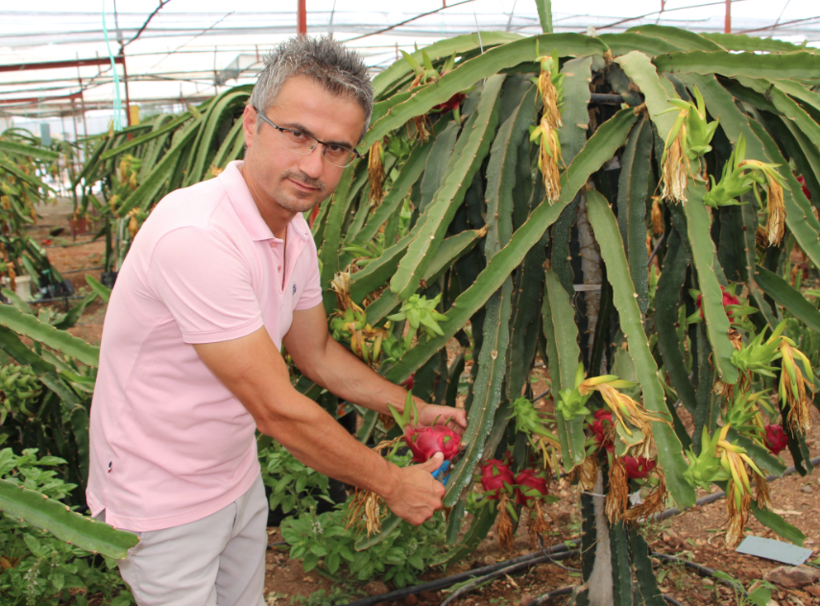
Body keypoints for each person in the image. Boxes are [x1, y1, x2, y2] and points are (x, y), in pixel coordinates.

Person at [86, 36, 467, 606]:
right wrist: (392, 484)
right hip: (161, 497)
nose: (313, 166)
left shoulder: (294, 228)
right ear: (251, 123)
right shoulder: (200, 237)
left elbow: (315, 354)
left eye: (336, 149)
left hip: (233, 474)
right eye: (298, 135)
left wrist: (411, 412)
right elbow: (275, 407)